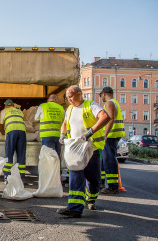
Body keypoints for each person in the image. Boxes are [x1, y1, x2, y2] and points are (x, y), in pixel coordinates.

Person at [57, 85, 110, 218]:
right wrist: (62, 134)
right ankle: (74, 208)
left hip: (91, 148)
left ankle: (91, 199)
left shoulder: (90, 105)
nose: (69, 99)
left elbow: (105, 117)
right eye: (67, 97)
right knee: (75, 176)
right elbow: (64, 123)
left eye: (71, 96)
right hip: (75, 149)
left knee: (93, 180)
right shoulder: (69, 109)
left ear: (79, 94)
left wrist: (90, 132)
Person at [99, 87, 125, 194]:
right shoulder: (115, 102)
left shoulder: (109, 103)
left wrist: (105, 134)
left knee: (109, 160)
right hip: (113, 135)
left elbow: (110, 118)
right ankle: (101, 182)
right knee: (104, 160)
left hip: (111, 136)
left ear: (104, 94)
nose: (101, 98)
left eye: (100, 95)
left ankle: (113, 186)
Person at [0, 99, 27, 181]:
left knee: (9, 154)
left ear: (5, 106)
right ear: (13, 106)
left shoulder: (4, 111)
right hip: (22, 132)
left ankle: (7, 177)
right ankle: (21, 178)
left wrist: (2, 133)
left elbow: (1, 124)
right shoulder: (19, 111)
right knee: (21, 155)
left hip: (11, 132)